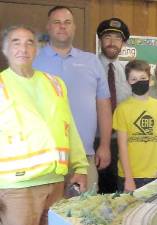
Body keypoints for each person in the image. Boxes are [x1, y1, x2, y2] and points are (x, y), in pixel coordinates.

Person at [0, 25, 88, 225]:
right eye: (16, 42)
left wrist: (81, 167)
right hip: (16, 189)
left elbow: (69, 128)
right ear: (5, 50)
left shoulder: (55, 83)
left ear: (37, 49)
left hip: (55, 183)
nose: (23, 48)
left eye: (29, 43)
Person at [33, 6, 112, 190]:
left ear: (74, 27)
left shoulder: (92, 61)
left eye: (67, 22)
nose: (62, 26)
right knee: (46, 216)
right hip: (43, 157)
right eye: (57, 22)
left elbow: (104, 106)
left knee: (84, 214)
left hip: (84, 157)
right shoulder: (33, 60)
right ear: (48, 27)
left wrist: (105, 145)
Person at [113, 59, 157, 192]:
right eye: (133, 79)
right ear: (128, 81)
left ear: (150, 79)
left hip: (156, 174)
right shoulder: (122, 109)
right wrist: (128, 178)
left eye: (142, 78)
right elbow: (122, 146)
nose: (139, 81)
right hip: (129, 177)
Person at [96, 17, 132, 193]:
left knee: (119, 190)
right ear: (101, 40)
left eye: (117, 39)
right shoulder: (90, 67)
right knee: (96, 192)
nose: (112, 43)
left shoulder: (129, 72)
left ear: (123, 43)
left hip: (122, 143)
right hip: (95, 142)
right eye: (108, 37)